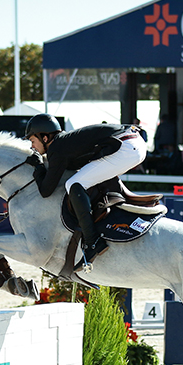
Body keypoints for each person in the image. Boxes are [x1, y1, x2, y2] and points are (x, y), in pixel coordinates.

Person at [24, 114, 147, 266]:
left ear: (44, 138)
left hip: (126, 146)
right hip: (133, 143)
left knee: (73, 184)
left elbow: (45, 191)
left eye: (32, 141)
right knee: (87, 178)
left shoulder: (57, 148)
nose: (32, 147)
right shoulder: (64, 142)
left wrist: (38, 167)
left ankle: (92, 241)